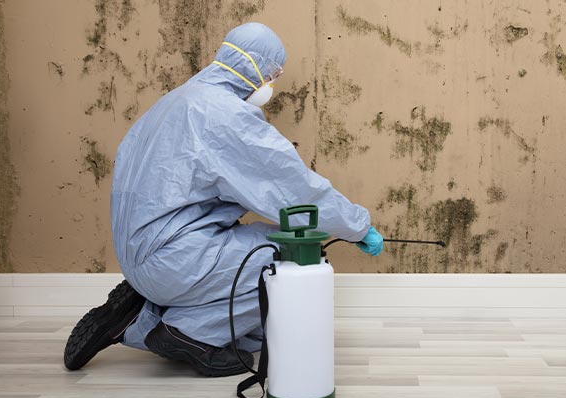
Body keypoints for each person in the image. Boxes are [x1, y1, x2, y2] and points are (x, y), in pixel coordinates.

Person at [63, 22, 383, 377]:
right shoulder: (224, 116)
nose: (272, 82)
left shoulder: (177, 100)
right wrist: (357, 226)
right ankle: (186, 333)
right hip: (173, 258)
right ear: (255, 66)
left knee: (259, 327)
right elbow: (293, 191)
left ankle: (141, 311)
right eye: (273, 73)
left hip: (141, 253)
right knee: (288, 256)